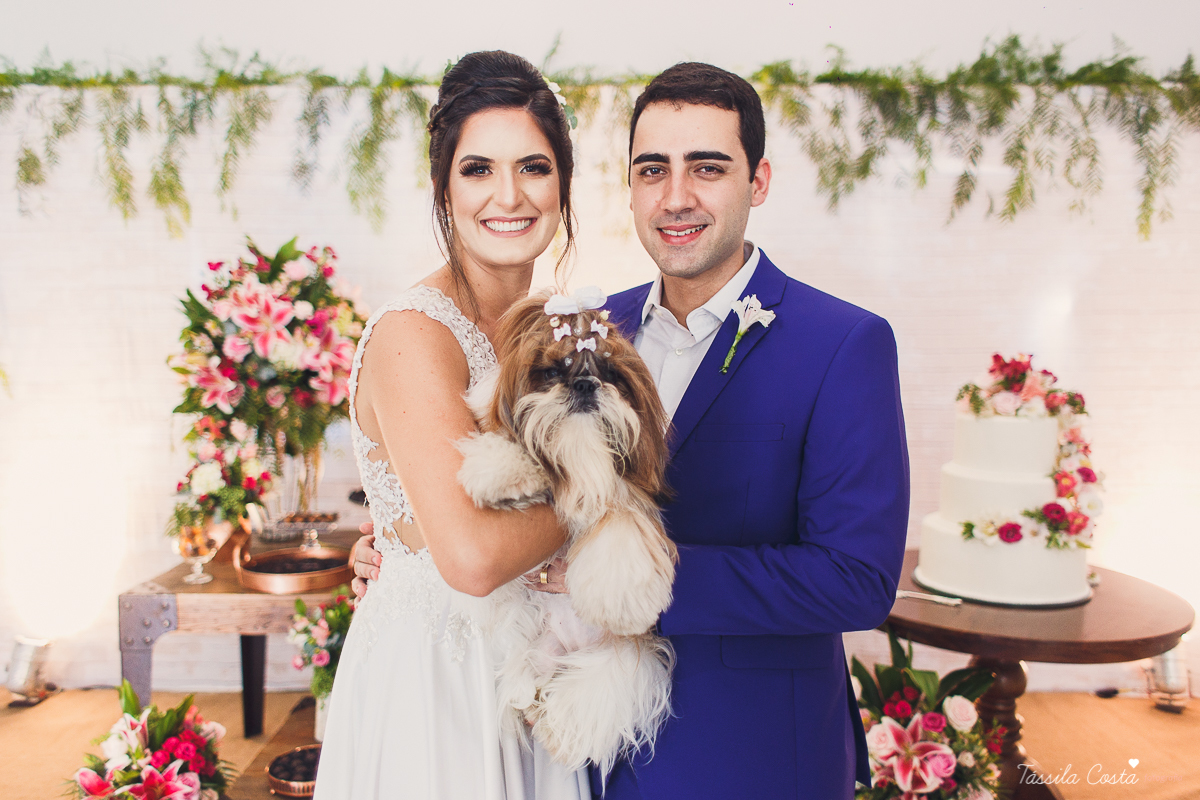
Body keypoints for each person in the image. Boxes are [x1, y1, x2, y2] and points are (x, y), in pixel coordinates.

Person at [353, 62, 909, 798]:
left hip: (754, 759)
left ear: (759, 181)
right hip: (576, 755)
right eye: (654, 170)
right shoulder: (583, 330)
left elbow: (858, 581)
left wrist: (626, 581)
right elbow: (485, 496)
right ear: (630, 188)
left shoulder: (842, 343)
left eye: (707, 168)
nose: (676, 197)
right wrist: (408, 539)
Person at [314, 50, 589, 800]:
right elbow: (468, 557)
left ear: (563, 182)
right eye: (478, 170)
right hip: (439, 682)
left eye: (533, 166)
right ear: (443, 187)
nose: (509, 194)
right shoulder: (414, 334)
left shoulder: (563, 329)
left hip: (540, 671)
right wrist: (606, 492)